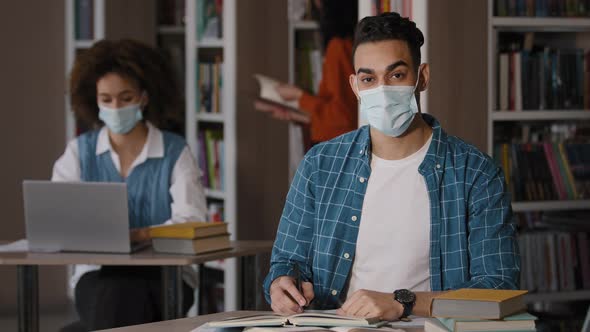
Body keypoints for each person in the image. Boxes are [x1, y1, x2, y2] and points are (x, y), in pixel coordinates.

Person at [264, 13, 520, 320]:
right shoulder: (320, 165)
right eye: (369, 79)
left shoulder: (476, 173)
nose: (382, 90)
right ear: (355, 86)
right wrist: (282, 284)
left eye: (396, 75)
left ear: (422, 77)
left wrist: (403, 302)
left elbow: (498, 288)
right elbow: (287, 260)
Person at [53, 39, 207, 331]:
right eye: (106, 99)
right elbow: (57, 215)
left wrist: (141, 235)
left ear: (144, 98)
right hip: (96, 274)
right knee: (115, 291)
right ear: (94, 100)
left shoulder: (175, 151)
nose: (115, 107)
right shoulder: (79, 152)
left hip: (166, 275)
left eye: (125, 98)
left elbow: (192, 220)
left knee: (120, 297)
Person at [256, 0, 358, 145]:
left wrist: (299, 95)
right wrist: (296, 114)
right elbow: (335, 114)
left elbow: (343, 118)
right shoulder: (342, 45)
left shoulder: (339, 47)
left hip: (337, 149)